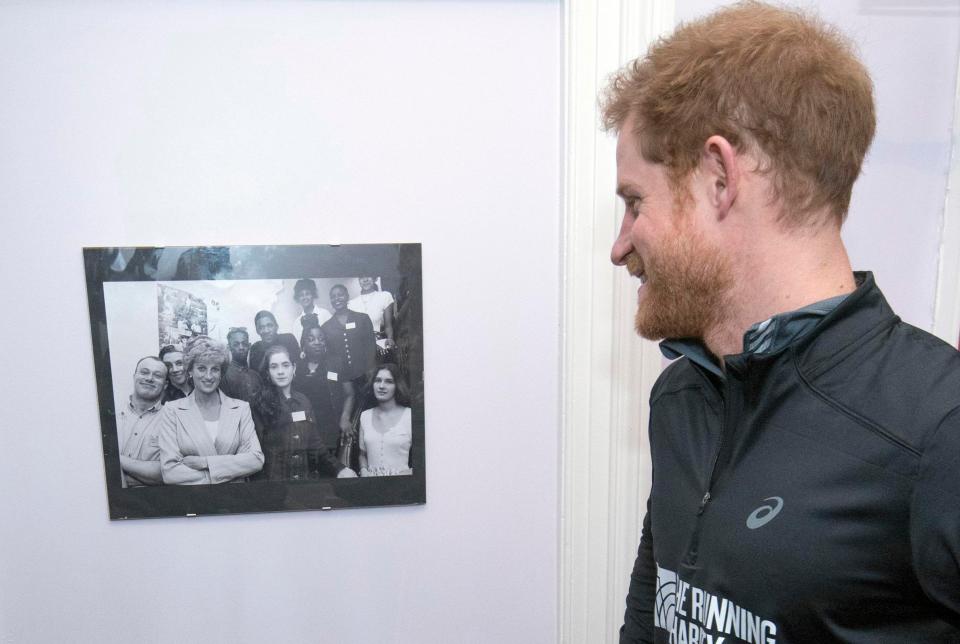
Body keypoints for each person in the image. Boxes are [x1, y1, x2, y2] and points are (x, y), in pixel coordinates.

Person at [603, 4, 960, 642]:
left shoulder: (940, 427)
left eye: (635, 202)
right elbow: (651, 611)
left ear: (719, 177)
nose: (620, 245)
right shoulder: (681, 395)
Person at [159, 336, 263, 484]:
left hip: (235, 501)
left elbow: (256, 460)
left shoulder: (240, 408)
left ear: (221, 373)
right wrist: (231, 473)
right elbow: (170, 472)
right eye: (201, 368)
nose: (208, 376)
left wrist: (206, 463)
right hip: (193, 502)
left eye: (214, 369)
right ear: (190, 371)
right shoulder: (172, 410)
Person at [252, 345, 356, 481]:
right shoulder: (260, 404)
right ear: (267, 372)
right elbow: (256, 454)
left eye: (285, 365)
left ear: (294, 368)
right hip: (274, 485)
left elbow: (315, 445)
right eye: (274, 367)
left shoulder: (303, 401)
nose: (280, 372)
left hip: (303, 482)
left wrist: (339, 469)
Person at [293, 323, 356, 459]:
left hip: (330, 426)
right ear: (303, 343)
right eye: (311, 339)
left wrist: (345, 418)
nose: (317, 343)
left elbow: (350, 394)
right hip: (305, 428)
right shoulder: (296, 367)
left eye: (321, 339)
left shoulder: (336, 363)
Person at [117, 356, 167, 487]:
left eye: (157, 375)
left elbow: (166, 473)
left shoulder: (171, 420)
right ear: (134, 376)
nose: (149, 378)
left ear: (165, 384)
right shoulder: (111, 411)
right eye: (144, 372)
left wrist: (115, 459)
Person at [357, 364, 412, 477]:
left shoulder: (409, 415)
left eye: (388, 381)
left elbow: (424, 460)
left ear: (397, 386)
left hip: (402, 487)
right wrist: (363, 470)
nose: (381, 386)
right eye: (378, 380)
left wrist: (409, 473)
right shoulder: (365, 416)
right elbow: (362, 454)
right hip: (372, 487)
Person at [320, 284, 377, 387]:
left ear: (347, 296)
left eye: (340, 295)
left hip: (364, 374)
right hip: (342, 379)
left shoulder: (362, 319)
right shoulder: (326, 327)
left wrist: (371, 369)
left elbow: (371, 346)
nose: (336, 298)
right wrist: (333, 378)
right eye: (333, 296)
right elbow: (329, 356)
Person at [348, 276, 395, 355]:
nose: (365, 279)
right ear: (358, 279)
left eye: (368, 276)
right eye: (361, 277)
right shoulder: (350, 304)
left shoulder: (385, 296)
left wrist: (390, 339)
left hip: (380, 344)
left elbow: (388, 326)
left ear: (374, 278)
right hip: (360, 346)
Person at [219, 327, 262, 403]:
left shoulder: (256, 376)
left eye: (244, 344)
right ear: (229, 347)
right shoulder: (224, 377)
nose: (241, 347)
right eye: (236, 344)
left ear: (249, 346)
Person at [287, 278, 332, 344]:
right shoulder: (296, 323)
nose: (305, 297)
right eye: (301, 295)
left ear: (313, 295)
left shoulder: (325, 314)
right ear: (298, 298)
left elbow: (332, 338)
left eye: (307, 294)